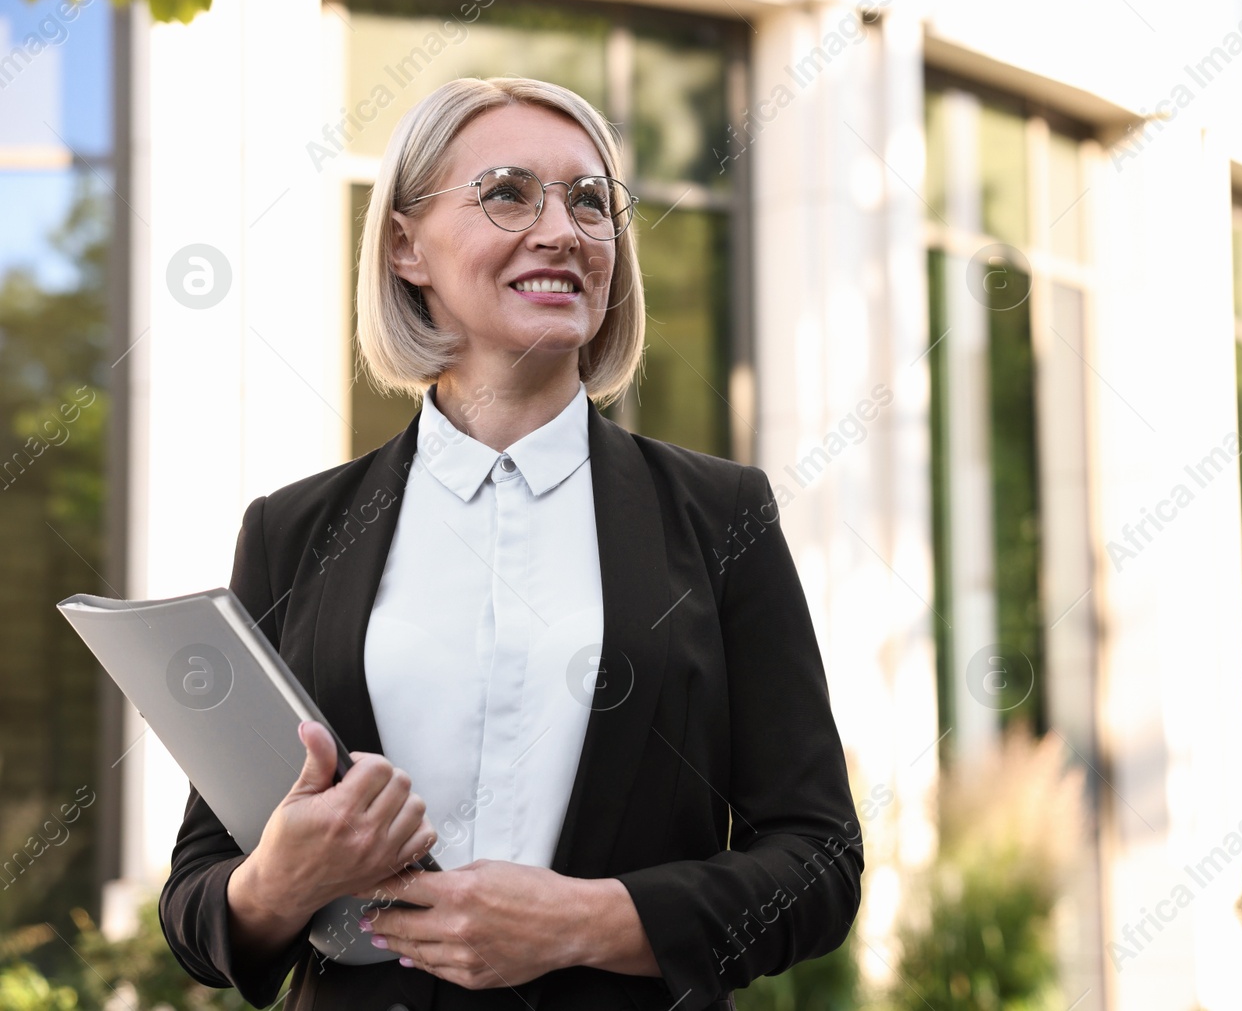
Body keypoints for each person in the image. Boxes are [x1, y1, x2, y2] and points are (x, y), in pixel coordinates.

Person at [157, 75, 863, 1011]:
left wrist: (592, 920)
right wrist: (278, 880)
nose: (563, 231)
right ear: (406, 244)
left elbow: (819, 859)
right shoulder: (292, 534)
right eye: (507, 192)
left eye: (589, 200)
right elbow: (200, 896)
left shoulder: (719, 513)